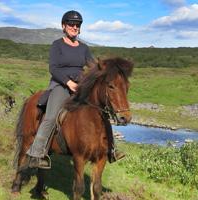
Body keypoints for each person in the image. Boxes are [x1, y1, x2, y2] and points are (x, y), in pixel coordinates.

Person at [26, 10, 124, 169]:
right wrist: (68, 82)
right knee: (51, 117)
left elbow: (93, 65)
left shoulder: (84, 48)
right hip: (60, 85)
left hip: (80, 86)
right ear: (64, 26)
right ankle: (36, 154)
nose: (74, 27)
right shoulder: (57, 45)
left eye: (77, 25)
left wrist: (105, 70)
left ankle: (111, 150)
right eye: (71, 24)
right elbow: (53, 68)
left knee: (101, 112)